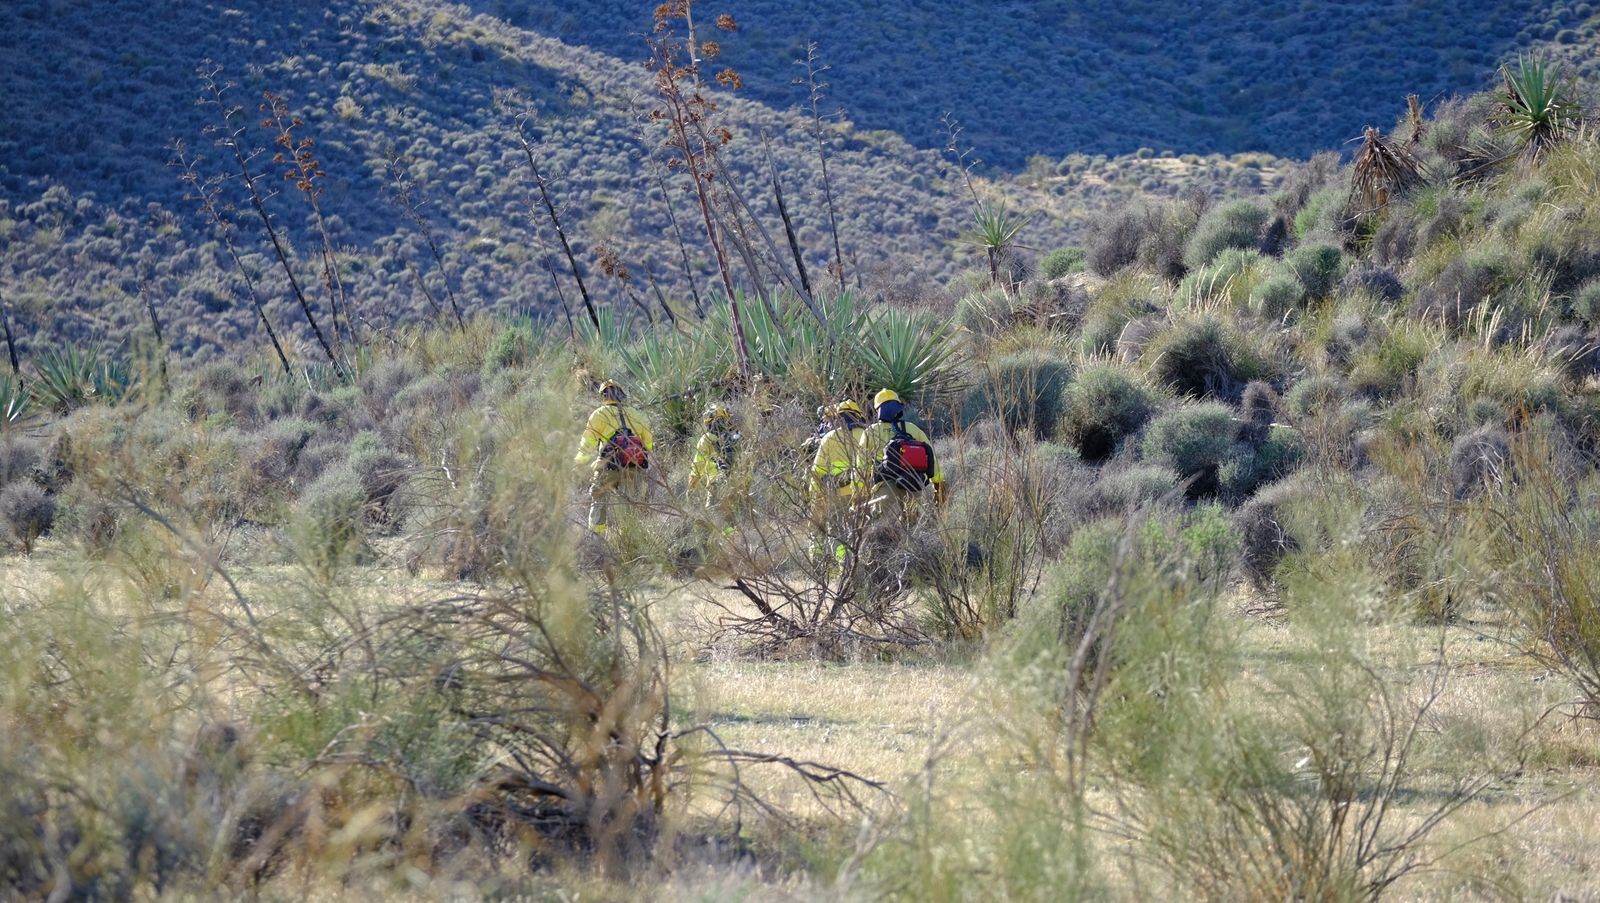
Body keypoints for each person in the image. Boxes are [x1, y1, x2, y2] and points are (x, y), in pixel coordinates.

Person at [574, 380, 654, 533]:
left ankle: (596, 537)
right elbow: (648, 443)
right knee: (633, 505)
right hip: (635, 466)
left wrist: (579, 462)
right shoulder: (637, 414)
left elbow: (587, 443)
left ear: (603, 396)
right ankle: (632, 537)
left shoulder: (599, 414)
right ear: (622, 394)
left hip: (609, 466)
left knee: (599, 499)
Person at [858, 388, 944, 519]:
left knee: (885, 533)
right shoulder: (912, 428)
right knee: (914, 530)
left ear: (878, 410)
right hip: (913, 486)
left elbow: (861, 465)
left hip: (884, 491)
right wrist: (938, 484)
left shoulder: (870, 432)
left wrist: (859, 492)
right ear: (898, 407)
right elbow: (931, 457)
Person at [808, 399, 867, 568]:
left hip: (837, 495)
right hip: (864, 494)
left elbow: (817, 471)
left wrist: (817, 495)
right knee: (863, 533)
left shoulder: (829, 438)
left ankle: (844, 567)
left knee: (838, 534)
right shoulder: (867, 434)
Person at [688, 402, 740, 508]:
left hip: (717, 485)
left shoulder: (706, 439)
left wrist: (691, 487)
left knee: (714, 511)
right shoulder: (735, 437)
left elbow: (698, 465)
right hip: (735, 485)